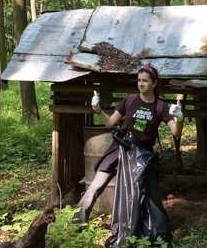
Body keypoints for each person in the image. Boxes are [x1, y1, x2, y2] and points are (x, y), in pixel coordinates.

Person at [73, 65, 184, 236]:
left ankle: (141, 230)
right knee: (97, 184)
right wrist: (98, 110)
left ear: (154, 83)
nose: (141, 84)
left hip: (142, 154)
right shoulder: (130, 100)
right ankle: (76, 223)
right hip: (121, 146)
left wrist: (180, 118)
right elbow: (110, 123)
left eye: (145, 81)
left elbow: (176, 132)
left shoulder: (161, 106)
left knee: (148, 194)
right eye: (139, 80)